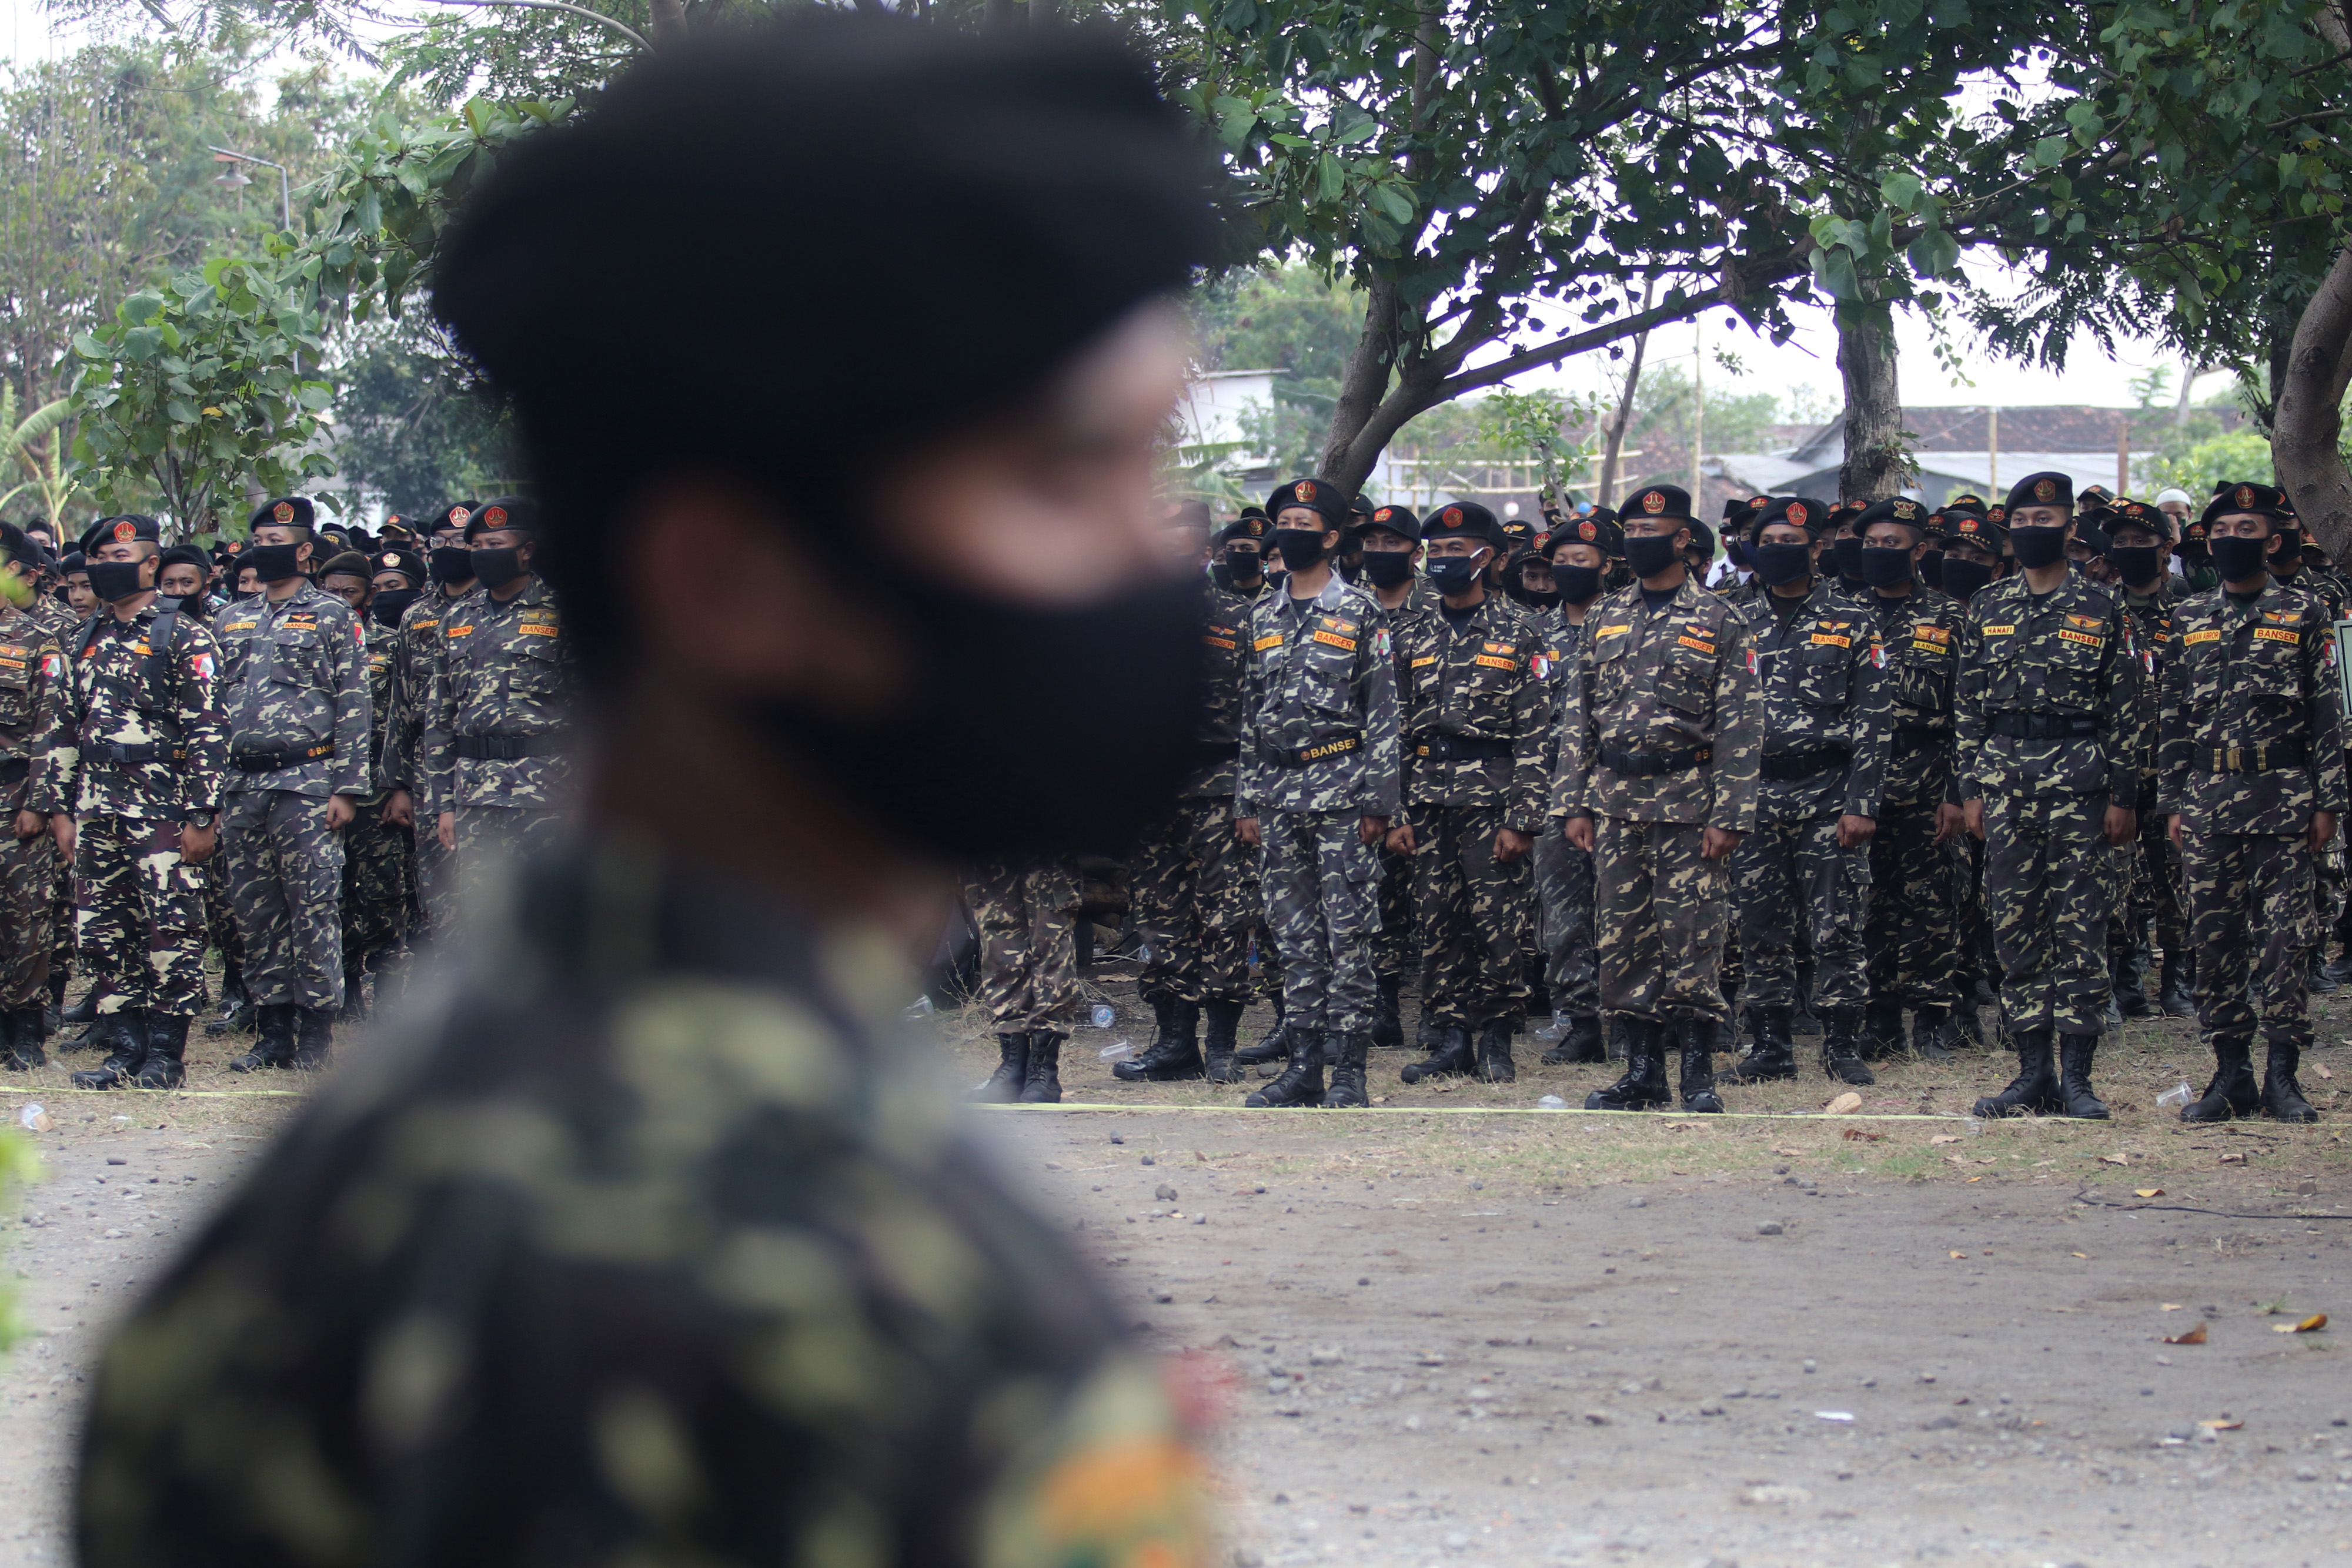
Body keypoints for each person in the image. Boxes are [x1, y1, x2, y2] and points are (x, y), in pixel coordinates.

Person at [77, 19, 1220, 1568]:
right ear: (728, 580)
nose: (1160, 556)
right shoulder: (866, 1289)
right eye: (1064, 476)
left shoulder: (316, 1217)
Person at [1559, 484, 1760, 1112]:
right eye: (1631, 532)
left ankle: (1696, 1074)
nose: (1638, 541)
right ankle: (1642, 1073)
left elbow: (1742, 725)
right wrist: (1574, 802)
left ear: (1682, 539)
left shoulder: (1722, 619)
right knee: (1623, 942)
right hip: (1615, 801)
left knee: (1694, 939)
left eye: (1653, 532)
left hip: (1689, 803)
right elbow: (1578, 714)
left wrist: (1729, 814)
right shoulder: (1605, 614)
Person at [1956, 472, 2147, 1120]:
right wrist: (1970, 788)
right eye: (2023, 520)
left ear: (2069, 530)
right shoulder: (1986, 607)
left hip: (2081, 786)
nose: (2034, 530)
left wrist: (2124, 794)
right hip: (2006, 786)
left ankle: (2078, 1079)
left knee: (2080, 929)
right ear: (2008, 528)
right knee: (2014, 929)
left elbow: (2128, 708)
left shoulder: (2103, 607)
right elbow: (1968, 707)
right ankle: (2030, 1074)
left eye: (2048, 521)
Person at [2164, 482, 2343, 1123]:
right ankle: (2230, 1075)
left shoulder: (2303, 612)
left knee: (2286, 942)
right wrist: (2172, 801)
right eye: (2221, 532)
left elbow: (2327, 711)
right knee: (2213, 941)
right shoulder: (2187, 618)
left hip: (2283, 800)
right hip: (2208, 803)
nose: (2230, 541)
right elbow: (2173, 716)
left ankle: (2283, 1080)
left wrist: (2329, 801)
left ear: (2271, 541)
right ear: (2206, 542)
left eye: (2246, 530)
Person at [33, 513, 227, 1091]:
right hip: (96, 808)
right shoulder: (82, 636)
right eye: (98, 560)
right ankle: (125, 1049)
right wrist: (61, 809)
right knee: (103, 931)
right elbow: (63, 727)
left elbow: (208, 729)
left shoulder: (186, 634)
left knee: (171, 928)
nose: (105, 569)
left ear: (150, 565)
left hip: (163, 808)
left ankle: (165, 1057)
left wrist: (202, 814)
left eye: (121, 559)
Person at [1234, 476, 1401, 1109]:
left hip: (1341, 792)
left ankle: (1349, 1073)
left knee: (1349, 934)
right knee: (1293, 936)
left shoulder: (1359, 611)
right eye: (1284, 524)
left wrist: (1379, 803)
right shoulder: (1261, 614)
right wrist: (1246, 800)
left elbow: (1383, 711)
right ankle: (1302, 1066)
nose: (1291, 535)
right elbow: (1252, 713)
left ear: (1331, 538)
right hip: (1277, 796)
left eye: (1305, 525)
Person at [1719, 496, 1887, 1086]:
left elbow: (1874, 718)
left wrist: (1862, 802)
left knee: (1836, 923)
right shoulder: (1731, 619)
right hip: (1754, 795)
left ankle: (1842, 1042)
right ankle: (1769, 1044)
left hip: (1828, 792)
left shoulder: (1854, 619)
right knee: (1759, 925)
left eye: (1792, 543)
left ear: (1816, 549)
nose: (1778, 553)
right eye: (1767, 543)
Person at [1388, 502, 1547, 1085]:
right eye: (1437, 551)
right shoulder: (1412, 629)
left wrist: (1523, 817)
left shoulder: (1521, 629)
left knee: (1498, 926)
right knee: (1435, 926)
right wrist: (1397, 809)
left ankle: (1497, 1039)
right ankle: (1449, 1037)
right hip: (1428, 800)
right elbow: (1396, 728)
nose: (1444, 561)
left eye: (1458, 551)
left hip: (1493, 800)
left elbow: (1537, 731)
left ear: (1490, 558)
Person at [212, 499, 373, 1072]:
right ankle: (272, 1029)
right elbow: (212, 708)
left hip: (307, 782)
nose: (265, 545)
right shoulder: (230, 618)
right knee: (255, 912)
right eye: (258, 536)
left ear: (305, 550)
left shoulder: (332, 615)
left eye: (277, 537)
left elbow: (355, 702)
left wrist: (348, 787)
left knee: (313, 910)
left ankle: (314, 1035)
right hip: (241, 784)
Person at [1115, 507, 1257, 1084]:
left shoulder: (1241, 618)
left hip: (1219, 787)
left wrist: (1250, 797)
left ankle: (1221, 1045)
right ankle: (1175, 1044)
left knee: (1226, 915)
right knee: (1158, 917)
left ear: (1207, 555)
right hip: (1155, 792)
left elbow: (1260, 717)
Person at [416, 496, 576, 921]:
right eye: (478, 547)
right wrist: (443, 805)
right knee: (484, 922)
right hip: (475, 795)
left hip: (546, 793)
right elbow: (439, 717)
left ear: (526, 550)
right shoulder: (458, 619)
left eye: (496, 545)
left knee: (547, 919)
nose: (486, 556)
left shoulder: (560, 613)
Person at [1853, 497, 1967, 1061]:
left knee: (1930, 905)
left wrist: (1956, 794)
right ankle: (1879, 1020)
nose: (1878, 553)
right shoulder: (1846, 615)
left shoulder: (1951, 618)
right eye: (1871, 544)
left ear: (1919, 550)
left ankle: (1930, 1021)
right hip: (1862, 784)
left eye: (1890, 544)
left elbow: (1969, 713)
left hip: (1929, 781)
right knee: (1867, 902)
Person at [1532, 511, 1617, 1065]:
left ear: (1606, 567)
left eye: (1579, 562)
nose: (1567, 570)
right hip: (1552, 796)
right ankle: (1580, 1019)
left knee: (1630, 914)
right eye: (1559, 562)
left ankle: (1639, 1020)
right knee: (1564, 916)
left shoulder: (1627, 624)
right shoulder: (1535, 633)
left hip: (1619, 792)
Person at [2106, 501, 2193, 1018]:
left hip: (2174, 770)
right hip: (2117, 770)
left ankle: (2178, 980)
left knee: (2175, 878)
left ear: (2166, 548)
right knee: (2119, 878)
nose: (2130, 552)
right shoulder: (2099, 610)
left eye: (2141, 543)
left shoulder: (2189, 612)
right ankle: (2126, 976)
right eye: (2122, 543)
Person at [379, 501, 477, 937]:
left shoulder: (499, 607)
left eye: (459, 542)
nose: (449, 550)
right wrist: (397, 783)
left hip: (490, 766)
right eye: (441, 543)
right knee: (439, 894)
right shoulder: (416, 616)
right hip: (427, 772)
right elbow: (401, 702)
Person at [1356, 504, 1429, 1050]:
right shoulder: (1350, 608)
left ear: (1415, 552)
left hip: (1432, 776)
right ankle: (1382, 1006)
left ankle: (1437, 1008)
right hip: (1362, 777)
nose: (1380, 552)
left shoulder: (1437, 608)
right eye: (1372, 542)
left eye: (1392, 542)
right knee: (1375, 898)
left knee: (1432, 900)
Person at [0, 526, 62, 1069]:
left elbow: (51, 728)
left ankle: (25, 1030)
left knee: (25, 917)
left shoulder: (35, 640)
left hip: (14, 792)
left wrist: (39, 802)